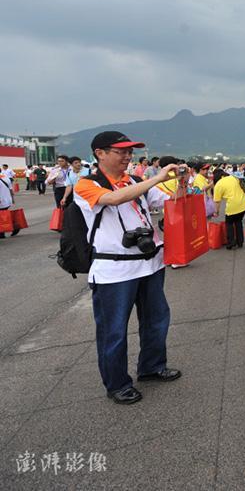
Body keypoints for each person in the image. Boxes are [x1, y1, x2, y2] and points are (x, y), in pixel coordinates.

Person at [72, 131, 186, 405]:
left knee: (157, 320)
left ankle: (152, 366)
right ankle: (117, 383)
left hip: (150, 265)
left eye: (129, 152)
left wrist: (182, 183)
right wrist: (156, 178)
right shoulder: (86, 185)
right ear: (100, 153)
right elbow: (113, 199)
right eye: (120, 151)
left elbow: (173, 203)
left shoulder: (135, 180)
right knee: (113, 330)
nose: (127, 156)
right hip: (114, 272)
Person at [212, 168, 245, 249]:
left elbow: (217, 201)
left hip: (233, 205)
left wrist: (216, 212)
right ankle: (240, 242)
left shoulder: (218, 184)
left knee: (229, 223)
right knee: (238, 221)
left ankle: (231, 243)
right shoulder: (233, 177)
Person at [0, 171, 19, 238]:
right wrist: (12, 199)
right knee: (3, 217)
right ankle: (15, 226)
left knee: (2, 218)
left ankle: (2, 233)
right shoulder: (6, 177)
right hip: (7, 200)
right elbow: (10, 189)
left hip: (1, 202)